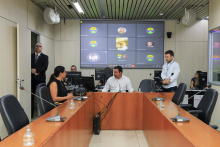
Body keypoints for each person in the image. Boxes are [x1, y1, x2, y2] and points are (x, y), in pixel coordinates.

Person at [31, 43, 48, 118]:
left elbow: (45, 67)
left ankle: (42, 115)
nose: (38, 47)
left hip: (40, 79)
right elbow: (27, 65)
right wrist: (32, 71)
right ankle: (31, 115)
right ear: (35, 47)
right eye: (37, 46)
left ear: (42, 48)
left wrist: (36, 70)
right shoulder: (30, 56)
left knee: (41, 97)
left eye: (40, 46)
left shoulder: (45, 57)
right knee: (31, 97)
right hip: (32, 79)